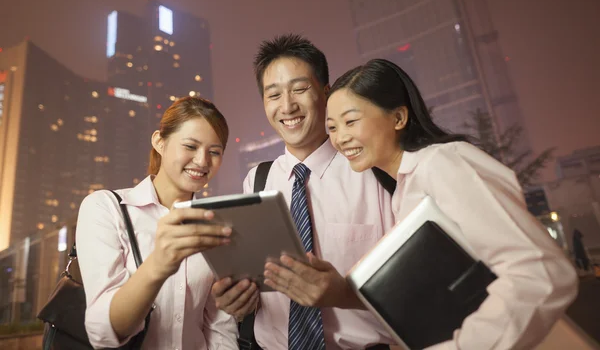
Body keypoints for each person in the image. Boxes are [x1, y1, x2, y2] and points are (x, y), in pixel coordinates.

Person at [323, 58, 579, 349]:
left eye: (350, 121)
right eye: (331, 127)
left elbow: (539, 272)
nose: (340, 138)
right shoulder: (404, 191)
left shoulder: (442, 164)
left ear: (398, 118)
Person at [211, 34, 397, 349]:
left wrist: (345, 292)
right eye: (273, 95)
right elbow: (258, 286)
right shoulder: (258, 180)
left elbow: (414, 285)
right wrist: (237, 298)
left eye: (300, 89)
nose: (287, 106)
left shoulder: (373, 172)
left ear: (326, 93)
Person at [76, 96, 238, 350]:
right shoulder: (105, 208)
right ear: (159, 142)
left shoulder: (215, 224)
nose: (202, 161)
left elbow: (219, 327)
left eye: (214, 152)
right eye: (190, 146)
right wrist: (159, 264)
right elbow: (101, 332)